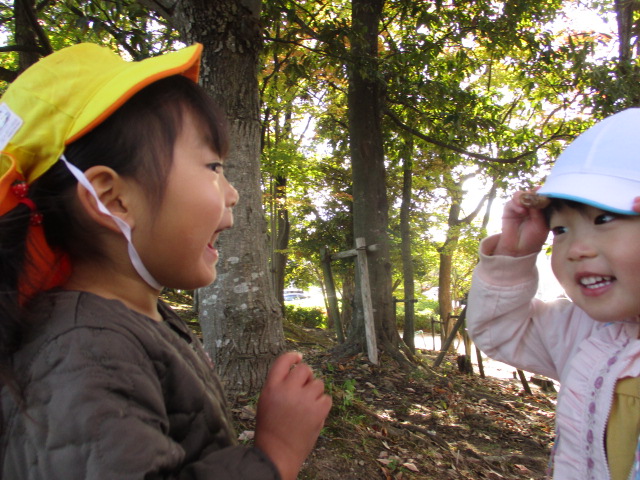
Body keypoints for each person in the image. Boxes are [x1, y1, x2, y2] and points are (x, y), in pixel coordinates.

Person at [0, 42, 331, 479]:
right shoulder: (84, 352)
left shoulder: (132, 317)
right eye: (213, 167)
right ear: (112, 198)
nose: (232, 193)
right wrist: (274, 455)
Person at [467, 108, 640, 480]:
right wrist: (513, 256)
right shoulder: (588, 333)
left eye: (604, 220)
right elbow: (502, 330)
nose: (577, 249)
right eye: (561, 230)